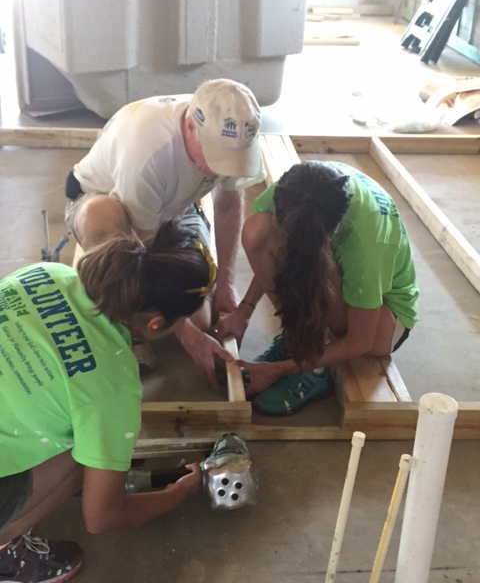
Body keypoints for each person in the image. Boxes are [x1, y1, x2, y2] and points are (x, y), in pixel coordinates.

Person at [0, 219, 216, 582]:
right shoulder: (114, 385)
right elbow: (102, 518)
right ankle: (6, 552)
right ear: (156, 323)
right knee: (88, 454)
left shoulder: (46, 273)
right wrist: (176, 494)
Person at [64, 78, 265, 386]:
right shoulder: (147, 152)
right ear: (190, 127)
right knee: (103, 216)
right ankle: (123, 322)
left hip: (175, 209)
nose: (219, 170)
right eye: (215, 157)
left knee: (200, 318)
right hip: (107, 206)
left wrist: (225, 285)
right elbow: (144, 254)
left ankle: (148, 316)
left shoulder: (235, 132)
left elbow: (227, 205)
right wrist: (186, 334)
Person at [217, 160, 419, 416]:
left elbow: (360, 341)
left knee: (316, 267)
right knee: (259, 230)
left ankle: (315, 369)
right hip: (342, 275)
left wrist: (282, 369)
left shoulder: (367, 246)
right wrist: (244, 311)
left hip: (385, 319)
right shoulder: (296, 188)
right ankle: (296, 337)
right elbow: (271, 253)